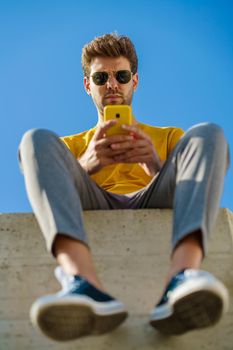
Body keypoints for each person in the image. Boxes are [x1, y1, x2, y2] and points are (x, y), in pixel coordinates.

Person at [19, 33, 229, 342]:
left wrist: (155, 167)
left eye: (121, 75)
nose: (112, 84)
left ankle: (182, 276)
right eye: (101, 77)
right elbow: (54, 196)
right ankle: (82, 282)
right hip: (92, 200)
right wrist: (86, 165)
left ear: (135, 81)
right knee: (35, 140)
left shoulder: (170, 136)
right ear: (88, 85)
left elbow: (187, 187)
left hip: (153, 195)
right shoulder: (67, 147)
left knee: (208, 134)